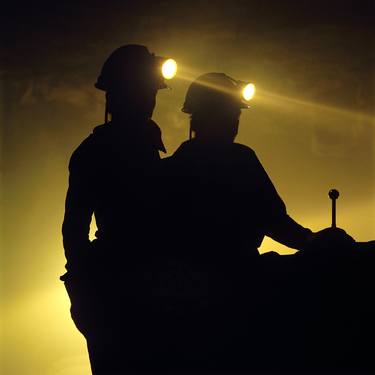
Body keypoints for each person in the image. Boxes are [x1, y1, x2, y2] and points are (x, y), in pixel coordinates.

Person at [61, 44, 171, 373]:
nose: (148, 100)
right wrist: (88, 288)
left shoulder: (150, 149)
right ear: (119, 96)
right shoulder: (95, 152)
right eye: (142, 91)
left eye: (151, 92)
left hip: (152, 285)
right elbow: (74, 229)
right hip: (121, 289)